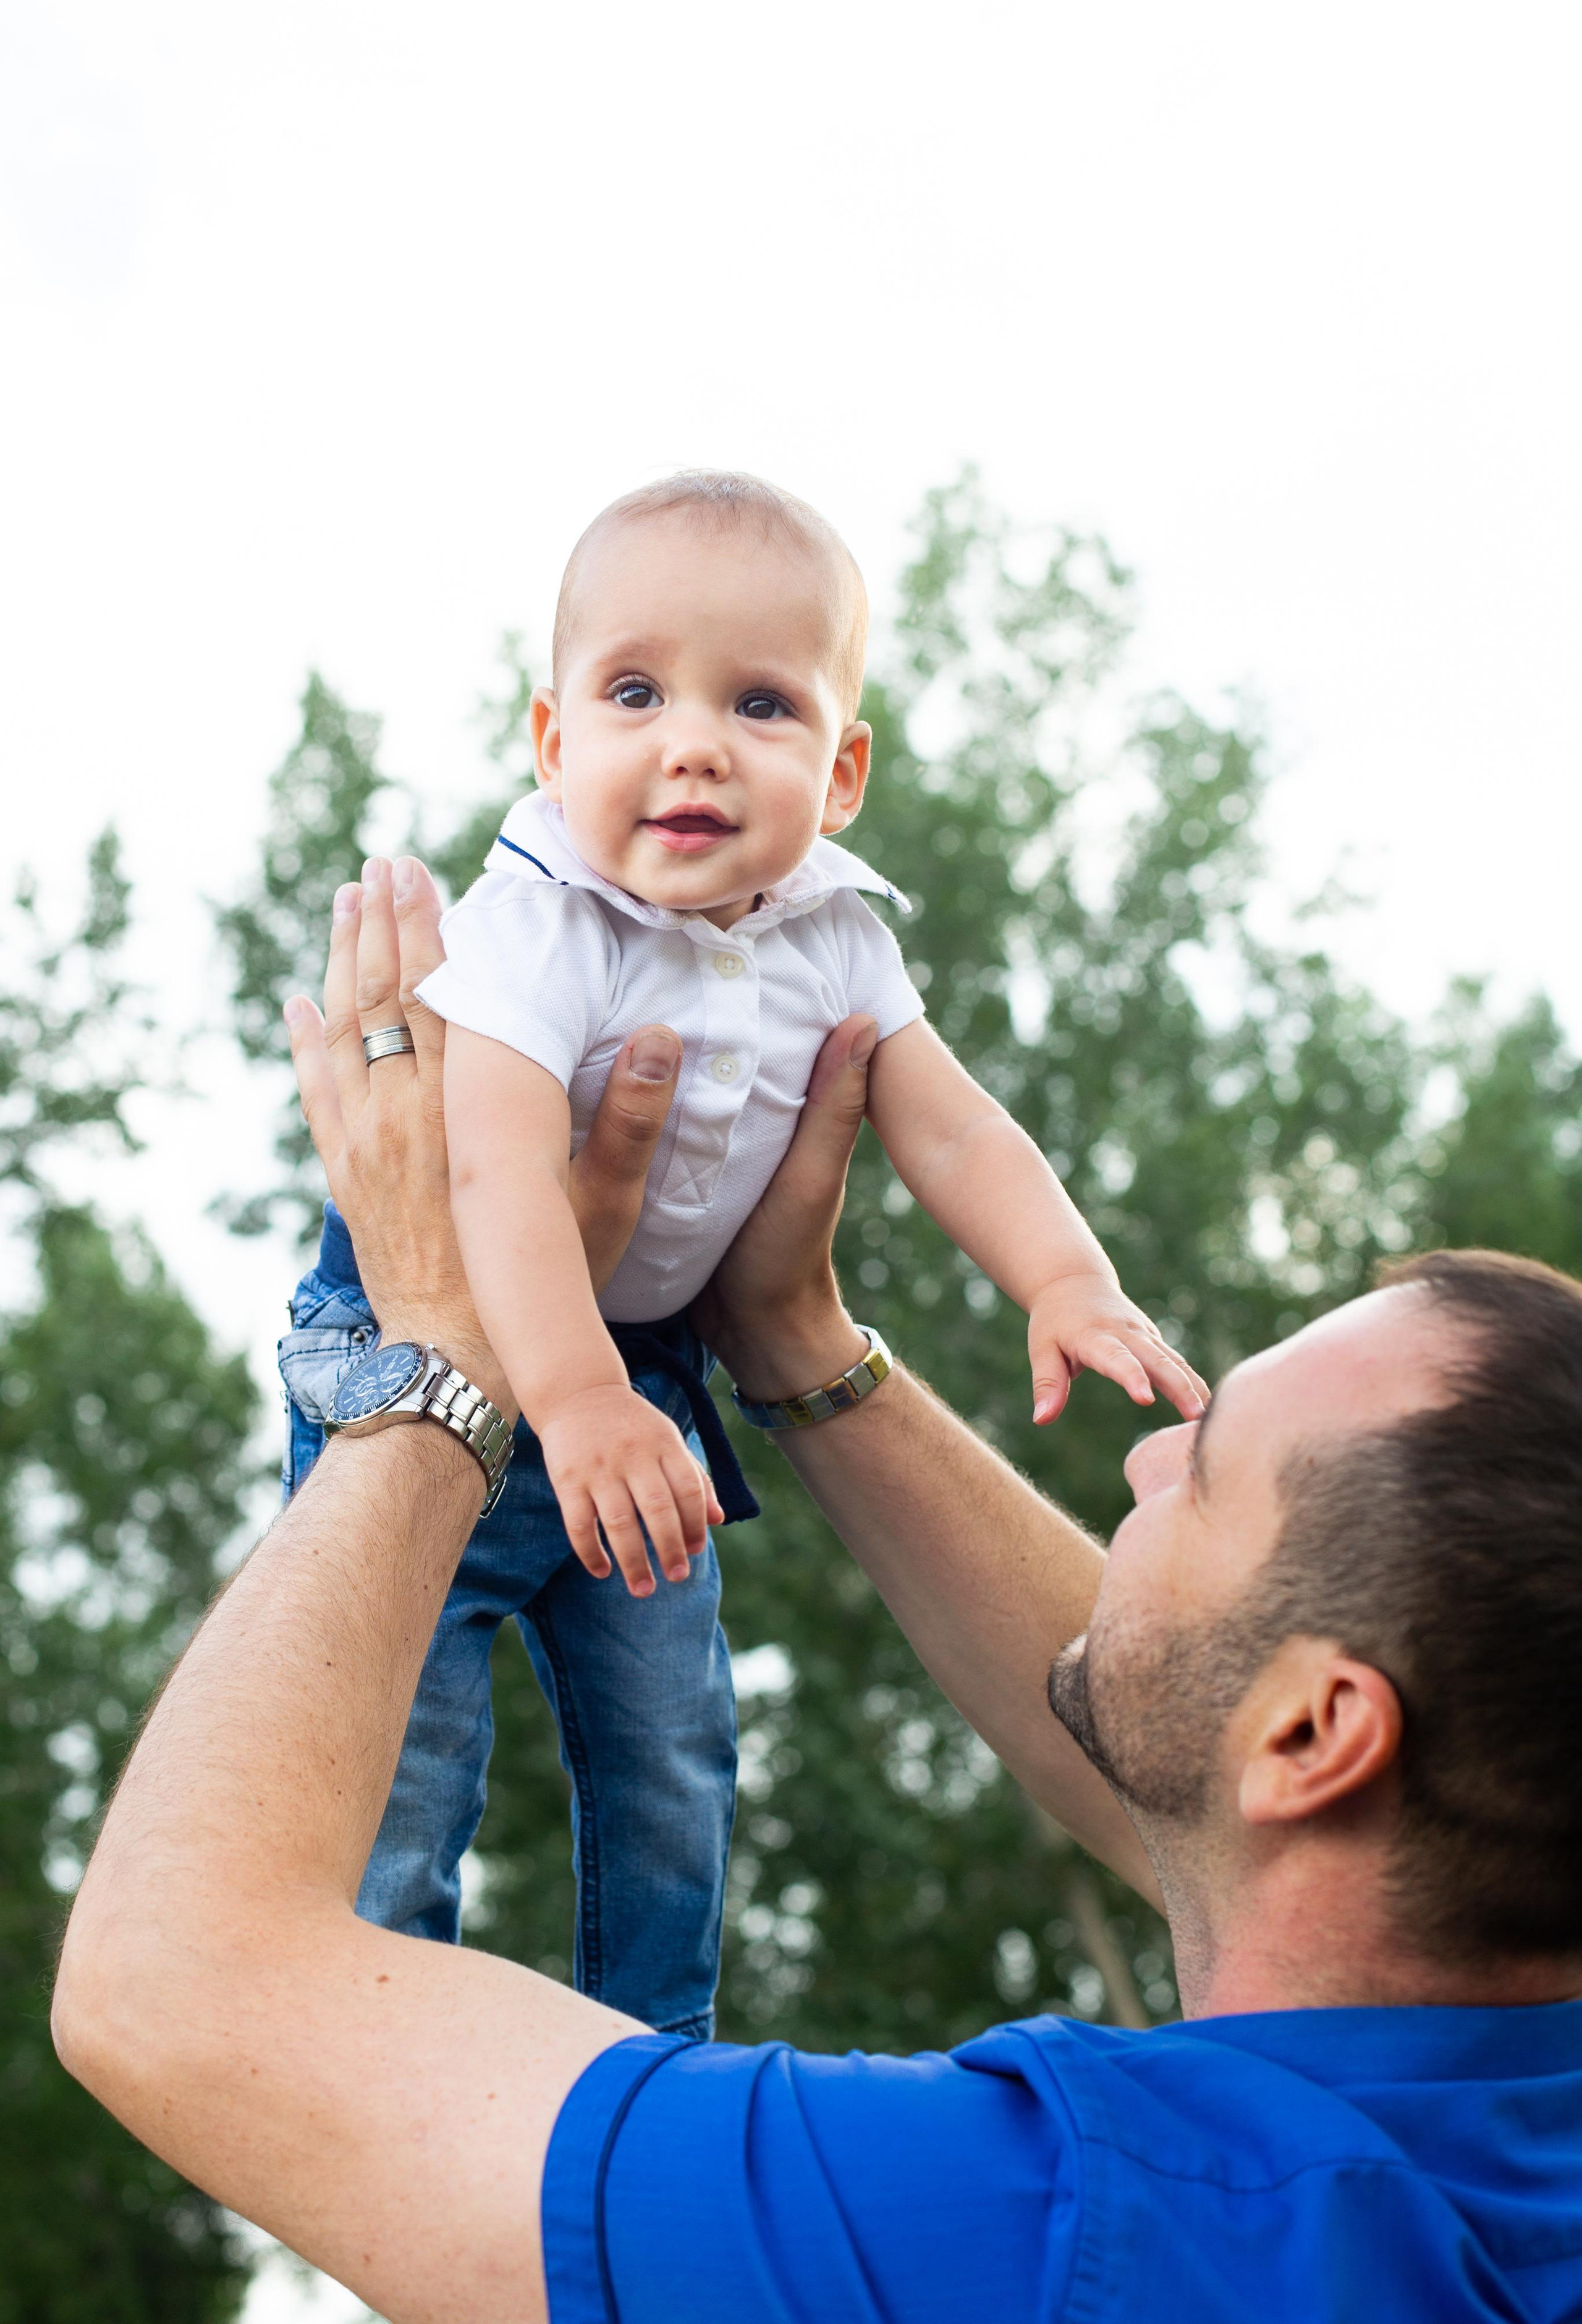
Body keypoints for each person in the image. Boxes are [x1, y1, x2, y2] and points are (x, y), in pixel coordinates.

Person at [53, 864, 1582, 2324]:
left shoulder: (1047, 2236)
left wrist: (445, 1354)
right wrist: (794, 1340)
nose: (1143, 1468)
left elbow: (175, 1990)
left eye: (1214, 1465)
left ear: (1318, 1737)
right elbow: (1204, 1742)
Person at [280, 469, 1204, 2034]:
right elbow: (496, 1179)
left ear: (839, 773)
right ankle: (382, 2025)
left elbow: (956, 1128)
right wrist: (567, 1404)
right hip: (436, 1341)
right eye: (635, 691)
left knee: (671, 1738)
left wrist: (1064, 1278)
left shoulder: (837, 935)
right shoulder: (531, 929)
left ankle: (660, 2041)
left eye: (759, 704)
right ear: (554, 741)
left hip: (648, 1374)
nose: (693, 740)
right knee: (406, 1737)